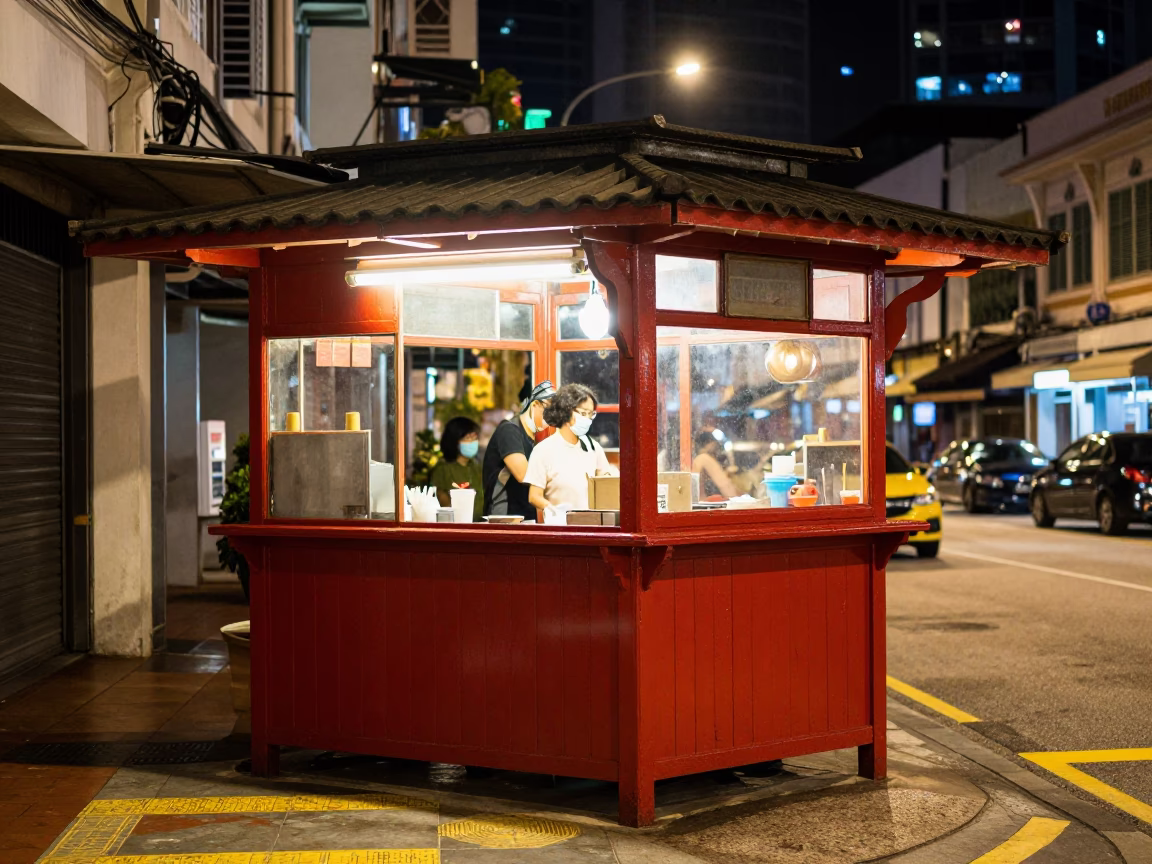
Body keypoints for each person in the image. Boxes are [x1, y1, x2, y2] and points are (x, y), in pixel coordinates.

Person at [525, 383, 615, 513]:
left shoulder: (593, 447)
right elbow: (534, 496)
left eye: (591, 414)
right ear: (565, 411)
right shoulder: (543, 450)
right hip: (560, 528)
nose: (588, 419)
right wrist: (554, 510)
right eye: (583, 413)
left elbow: (605, 484)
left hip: (592, 526)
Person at [482, 380, 557, 519]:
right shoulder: (509, 430)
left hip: (525, 517)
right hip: (504, 517)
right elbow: (523, 474)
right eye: (549, 412)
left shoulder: (532, 439)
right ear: (535, 404)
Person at [429, 416, 484, 520]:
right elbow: (443, 504)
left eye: (475, 437)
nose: (473, 442)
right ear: (454, 441)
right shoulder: (443, 469)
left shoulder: (477, 467)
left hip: (480, 526)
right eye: (467, 438)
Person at [693, 427, 740, 500]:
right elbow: (728, 490)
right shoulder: (704, 458)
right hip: (705, 504)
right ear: (710, 444)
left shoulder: (697, 460)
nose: (716, 448)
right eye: (715, 445)